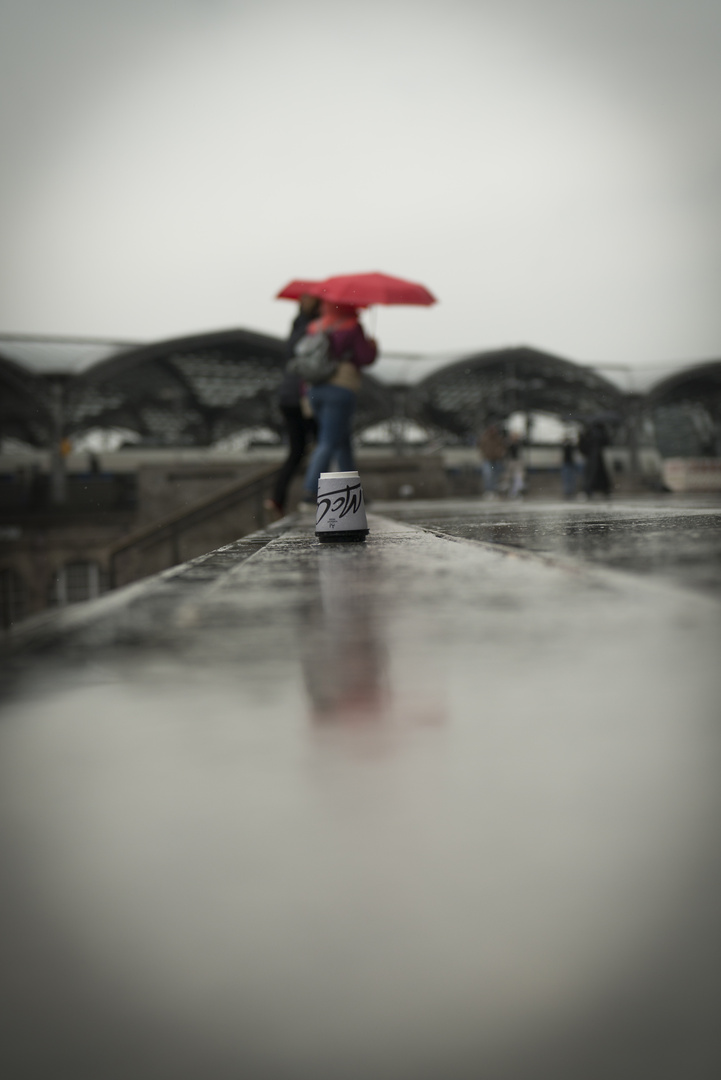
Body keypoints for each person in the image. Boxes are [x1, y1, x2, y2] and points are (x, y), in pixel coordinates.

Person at [301, 301, 377, 501]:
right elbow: (364, 356)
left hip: (315, 389)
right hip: (340, 387)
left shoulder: (315, 326)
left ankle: (352, 491)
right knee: (328, 441)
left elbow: (308, 359)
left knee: (342, 442)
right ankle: (311, 489)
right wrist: (372, 347)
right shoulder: (352, 326)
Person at [265, 294, 321, 516]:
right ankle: (315, 494)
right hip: (302, 396)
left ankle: (277, 497)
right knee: (322, 444)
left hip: (287, 397)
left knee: (297, 451)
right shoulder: (314, 328)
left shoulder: (296, 326)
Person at [578, 420, 612, 498]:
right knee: (594, 474)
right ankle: (597, 489)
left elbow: (582, 446)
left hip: (592, 456)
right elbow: (606, 442)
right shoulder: (597, 433)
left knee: (591, 474)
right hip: (595, 456)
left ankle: (589, 489)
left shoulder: (589, 433)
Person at [478, 420, 507, 497]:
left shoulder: (498, 438)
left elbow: (502, 447)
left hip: (497, 460)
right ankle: (489, 490)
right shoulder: (485, 438)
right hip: (488, 459)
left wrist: (500, 453)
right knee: (488, 475)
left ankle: (495, 490)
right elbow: (481, 447)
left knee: (497, 476)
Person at [507, 432, 525, 498]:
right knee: (511, 478)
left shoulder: (519, 444)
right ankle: (511, 492)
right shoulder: (509, 444)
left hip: (518, 462)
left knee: (518, 477)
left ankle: (517, 491)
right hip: (511, 461)